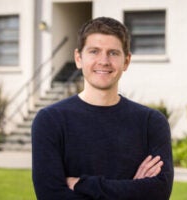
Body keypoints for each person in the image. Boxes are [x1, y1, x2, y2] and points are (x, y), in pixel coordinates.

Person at [32, 16, 174, 200]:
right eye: (94, 51)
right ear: (78, 58)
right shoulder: (50, 120)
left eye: (113, 53)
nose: (104, 61)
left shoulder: (151, 122)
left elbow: (159, 192)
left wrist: (82, 185)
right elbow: (50, 195)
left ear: (126, 61)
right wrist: (133, 189)